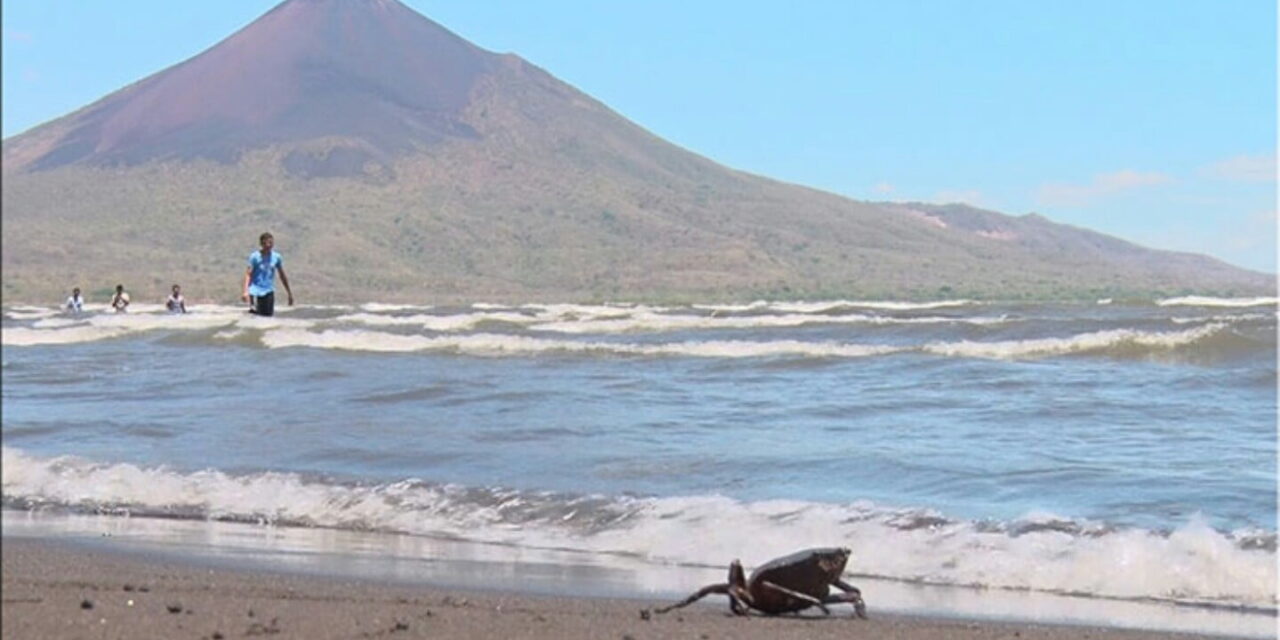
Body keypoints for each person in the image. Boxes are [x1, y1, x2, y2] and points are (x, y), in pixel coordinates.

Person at [241, 232, 293, 316]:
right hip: (255, 291)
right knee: (255, 316)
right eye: (265, 243)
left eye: (270, 243)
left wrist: (289, 293)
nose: (268, 245)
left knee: (267, 317)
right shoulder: (254, 257)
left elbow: (282, 275)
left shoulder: (276, 257)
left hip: (268, 290)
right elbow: (248, 274)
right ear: (261, 244)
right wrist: (245, 291)